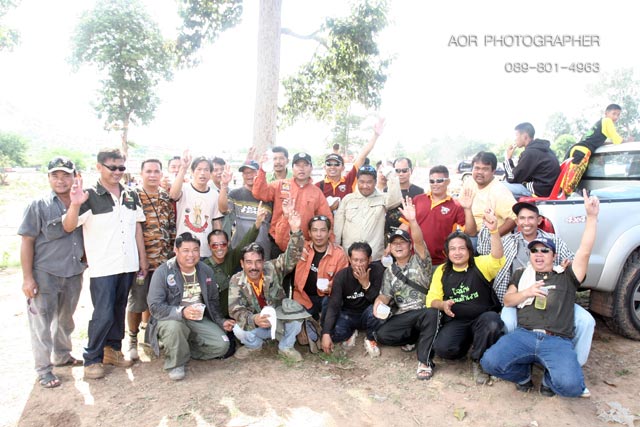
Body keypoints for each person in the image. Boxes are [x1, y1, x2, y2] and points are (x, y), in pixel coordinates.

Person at [481, 190, 599, 398]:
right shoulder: (521, 274)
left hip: (556, 338)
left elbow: (584, 252)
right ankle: (523, 374)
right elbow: (507, 298)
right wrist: (527, 292)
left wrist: (591, 217)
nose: (539, 254)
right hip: (525, 333)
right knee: (489, 362)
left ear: (554, 256)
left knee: (571, 387)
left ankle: (552, 376)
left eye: (545, 251)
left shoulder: (565, 274)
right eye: (534, 251)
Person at [62, 148, 148, 380]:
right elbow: (69, 226)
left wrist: (142, 258)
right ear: (99, 167)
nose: (117, 172)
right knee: (103, 313)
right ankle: (92, 358)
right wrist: (74, 204)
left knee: (119, 309)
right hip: (104, 267)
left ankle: (113, 350)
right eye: (112, 167)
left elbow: (137, 227)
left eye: (121, 167)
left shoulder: (130, 194)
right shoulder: (89, 195)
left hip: (128, 264)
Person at [18, 157, 87, 388]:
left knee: (66, 320)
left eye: (66, 175)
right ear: (48, 178)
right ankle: (44, 369)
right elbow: (27, 241)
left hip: (73, 272)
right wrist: (28, 278)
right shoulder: (38, 205)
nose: (60, 180)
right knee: (41, 324)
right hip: (45, 273)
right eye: (55, 175)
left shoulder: (83, 202)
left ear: (75, 177)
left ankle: (62, 355)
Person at [426, 209, 505, 385]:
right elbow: (431, 300)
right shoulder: (442, 270)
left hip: (483, 318)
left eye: (462, 248)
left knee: (492, 323)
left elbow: (497, 258)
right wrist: (442, 304)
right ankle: (470, 344)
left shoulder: (480, 264)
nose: (457, 252)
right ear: (447, 252)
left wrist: (494, 231)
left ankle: (479, 360)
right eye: (453, 249)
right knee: (444, 349)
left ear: (469, 250)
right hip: (457, 320)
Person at [147, 232, 234, 381]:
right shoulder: (163, 272)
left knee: (222, 346)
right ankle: (176, 363)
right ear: (176, 251)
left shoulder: (206, 271)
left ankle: (182, 349)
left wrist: (221, 321)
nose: (191, 255)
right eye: (186, 250)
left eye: (195, 250)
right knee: (175, 328)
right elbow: (155, 307)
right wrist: (182, 312)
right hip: (171, 318)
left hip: (197, 318)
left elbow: (213, 301)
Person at [228, 209, 307, 362]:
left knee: (297, 317)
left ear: (263, 262)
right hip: (258, 324)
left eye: (258, 262)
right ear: (242, 264)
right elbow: (235, 310)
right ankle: (254, 346)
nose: (254, 267)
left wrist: (296, 231)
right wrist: (254, 319)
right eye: (249, 262)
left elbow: (291, 257)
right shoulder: (236, 280)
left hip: (279, 320)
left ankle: (286, 346)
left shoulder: (272, 268)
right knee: (238, 329)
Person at [370, 197, 436, 379]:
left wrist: (412, 221)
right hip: (404, 316)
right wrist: (378, 302)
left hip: (423, 312)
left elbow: (419, 241)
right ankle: (414, 338)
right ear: (390, 248)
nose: (398, 245)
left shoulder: (420, 260)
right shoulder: (389, 271)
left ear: (409, 245)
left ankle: (424, 361)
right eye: (394, 243)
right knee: (382, 335)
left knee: (432, 314)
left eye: (402, 242)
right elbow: (385, 295)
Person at [127, 159, 176, 360]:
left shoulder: (165, 196)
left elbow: (171, 226)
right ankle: (131, 339)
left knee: (158, 301)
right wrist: (141, 258)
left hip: (163, 261)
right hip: (141, 262)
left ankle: (151, 335)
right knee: (137, 301)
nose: (153, 175)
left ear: (161, 174)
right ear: (141, 174)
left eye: (156, 171)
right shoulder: (132, 196)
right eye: (149, 171)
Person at [252, 152, 332, 252]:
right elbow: (259, 193)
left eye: (305, 165)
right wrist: (262, 170)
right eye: (298, 165)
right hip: (277, 244)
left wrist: (330, 246)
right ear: (292, 168)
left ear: (311, 168)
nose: (301, 169)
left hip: (303, 247)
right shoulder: (279, 185)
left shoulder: (317, 192)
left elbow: (327, 220)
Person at [292, 214, 349, 351]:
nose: (319, 235)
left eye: (323, 230)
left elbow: (343, 281)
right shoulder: (302, 248)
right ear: (309, 233)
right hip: (303, 297)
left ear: (329, 232)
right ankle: (310, 324)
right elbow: (281, 242)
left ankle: (321, 328)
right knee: (295, 326)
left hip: (326, 298)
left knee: (332, 303)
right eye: (315, 230)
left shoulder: (339, 254)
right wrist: (292, 226)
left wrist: (332, 286)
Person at [400, 165, 475, 266]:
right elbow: (405, 225)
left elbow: (471, 232)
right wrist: (391, 245)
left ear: (448, 182)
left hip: (440, 262)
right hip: (414, 259)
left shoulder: (456, 206)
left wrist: (468, 209)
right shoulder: (418, 200)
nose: (435, 184)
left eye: (439, 181)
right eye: (432, 181)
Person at [203, 205, 267, 318]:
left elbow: (246, 241)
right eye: (215, 245)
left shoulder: (231, 257)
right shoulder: (204, 268)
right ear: (209, 246)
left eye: (223, 244)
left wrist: (257, 223)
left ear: (228, 244)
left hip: (233, 314)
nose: (219, 248)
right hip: (213, 316)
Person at [321, 242, 384, 354]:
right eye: (355, 260)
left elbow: (378, 299)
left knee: (379, 309)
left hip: (368, 312)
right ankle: (350, 333)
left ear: (369, 260)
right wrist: (326, 333)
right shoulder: (341, 276)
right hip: (348, 314)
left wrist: (365, 284)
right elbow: (334, 305)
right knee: (335, 334)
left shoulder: (377, 271)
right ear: (349, 259)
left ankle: (370, 338)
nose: (358, 264)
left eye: (362, 260)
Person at [334, 164, 401, 260]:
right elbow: (337, 227)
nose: (365, 186)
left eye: (369, 182)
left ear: (375, 182)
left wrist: (391, 176)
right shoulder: (348, 199)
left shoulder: (383, 198)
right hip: (350, 258)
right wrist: (336, 250)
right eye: (361, 182)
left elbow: (396, 200)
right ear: (357, 181)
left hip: (374, 257)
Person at [317, 118, 385, 211]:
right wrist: (329, 209)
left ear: (343, 167)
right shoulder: (317, 186)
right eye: (329, 164)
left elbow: (362, 157)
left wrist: (375, 135)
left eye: (337, 164)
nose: (332, 167)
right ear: (325, 167)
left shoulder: (349, 180)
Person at [169, 152, 223, 258]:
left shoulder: (215, 194)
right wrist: (183, 168)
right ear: (192, 172)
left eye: (206, 170)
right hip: (183, 249)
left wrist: (218, 245)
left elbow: (216, 222)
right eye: (199, 169)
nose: (202, 173)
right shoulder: (184, 188)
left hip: (205, 251)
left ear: (210, 173)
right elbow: (173, 195)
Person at [562, 104, 624, 195]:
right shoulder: (607, 121)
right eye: (614, 114)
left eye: (618, 115)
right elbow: (617, 140)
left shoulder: (600, 123)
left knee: (566, 182)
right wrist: (627, 141)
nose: (616, 117)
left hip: (576, 149)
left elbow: (598, 142)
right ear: (606, 113)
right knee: (569, 186)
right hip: (582, 152)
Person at [218, 160, 273, 259]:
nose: (249, 175)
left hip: (262, 253)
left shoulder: (269, 196)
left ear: (259, 173)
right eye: (246, 173)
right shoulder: (235, 194)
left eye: (252, 172)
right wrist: (224, 185)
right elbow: (223, 209)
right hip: (239, 251)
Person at [464, 151, 517, 241]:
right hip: (468, 231)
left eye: (485, 169)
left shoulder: (499, 190)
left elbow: (513, 219)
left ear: (493, 171)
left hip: (488, 238)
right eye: (477, 168)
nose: (480, 172)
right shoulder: (469, 182)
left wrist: (491, 237)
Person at [502, 122, 560, 198]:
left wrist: (508, 158)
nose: (515, 139)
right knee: (502, 183)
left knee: (496, 187)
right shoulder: (542, 149)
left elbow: (512, 178)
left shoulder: (530, 153)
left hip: (538, 191)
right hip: (545, 189)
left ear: (525, 136)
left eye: (516, 135)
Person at [385, 157, 425, 239]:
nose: (401, 174)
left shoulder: (419, 192)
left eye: (404, 170)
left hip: (410, 236)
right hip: (389, 236)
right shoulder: (387, 190)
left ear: (411, 171)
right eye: (397, 171)